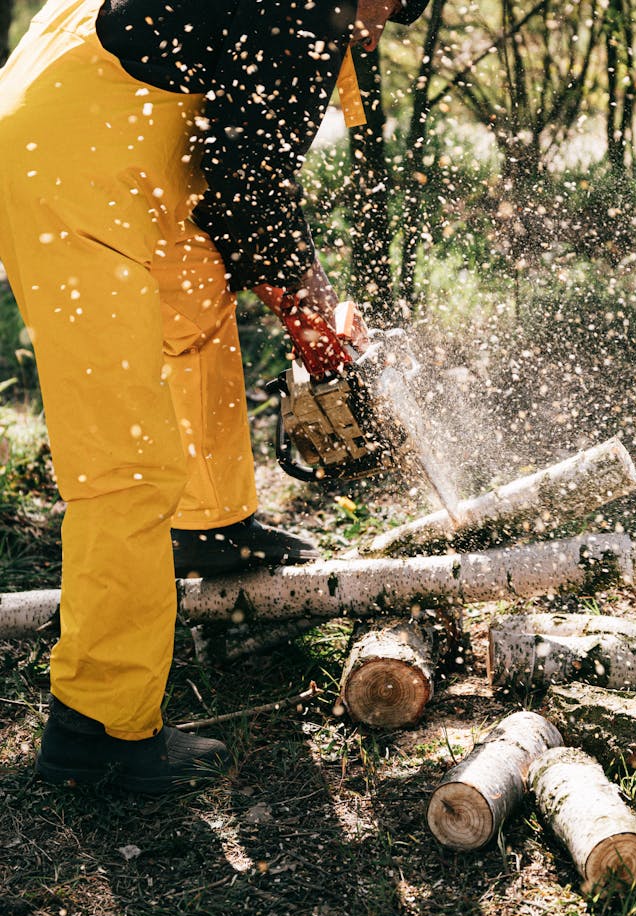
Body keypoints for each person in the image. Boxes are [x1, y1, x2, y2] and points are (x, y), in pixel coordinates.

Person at [0, 0, 429, 794]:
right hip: (67, 166)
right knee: (126, 463)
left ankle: (213, 526)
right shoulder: (309, 12)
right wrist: (312, 324)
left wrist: (308, 306)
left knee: (197, 296)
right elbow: (248, 186)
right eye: (389, 12)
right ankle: (94, 729)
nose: (377, 33)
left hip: (105, 122)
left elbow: (231, 174)